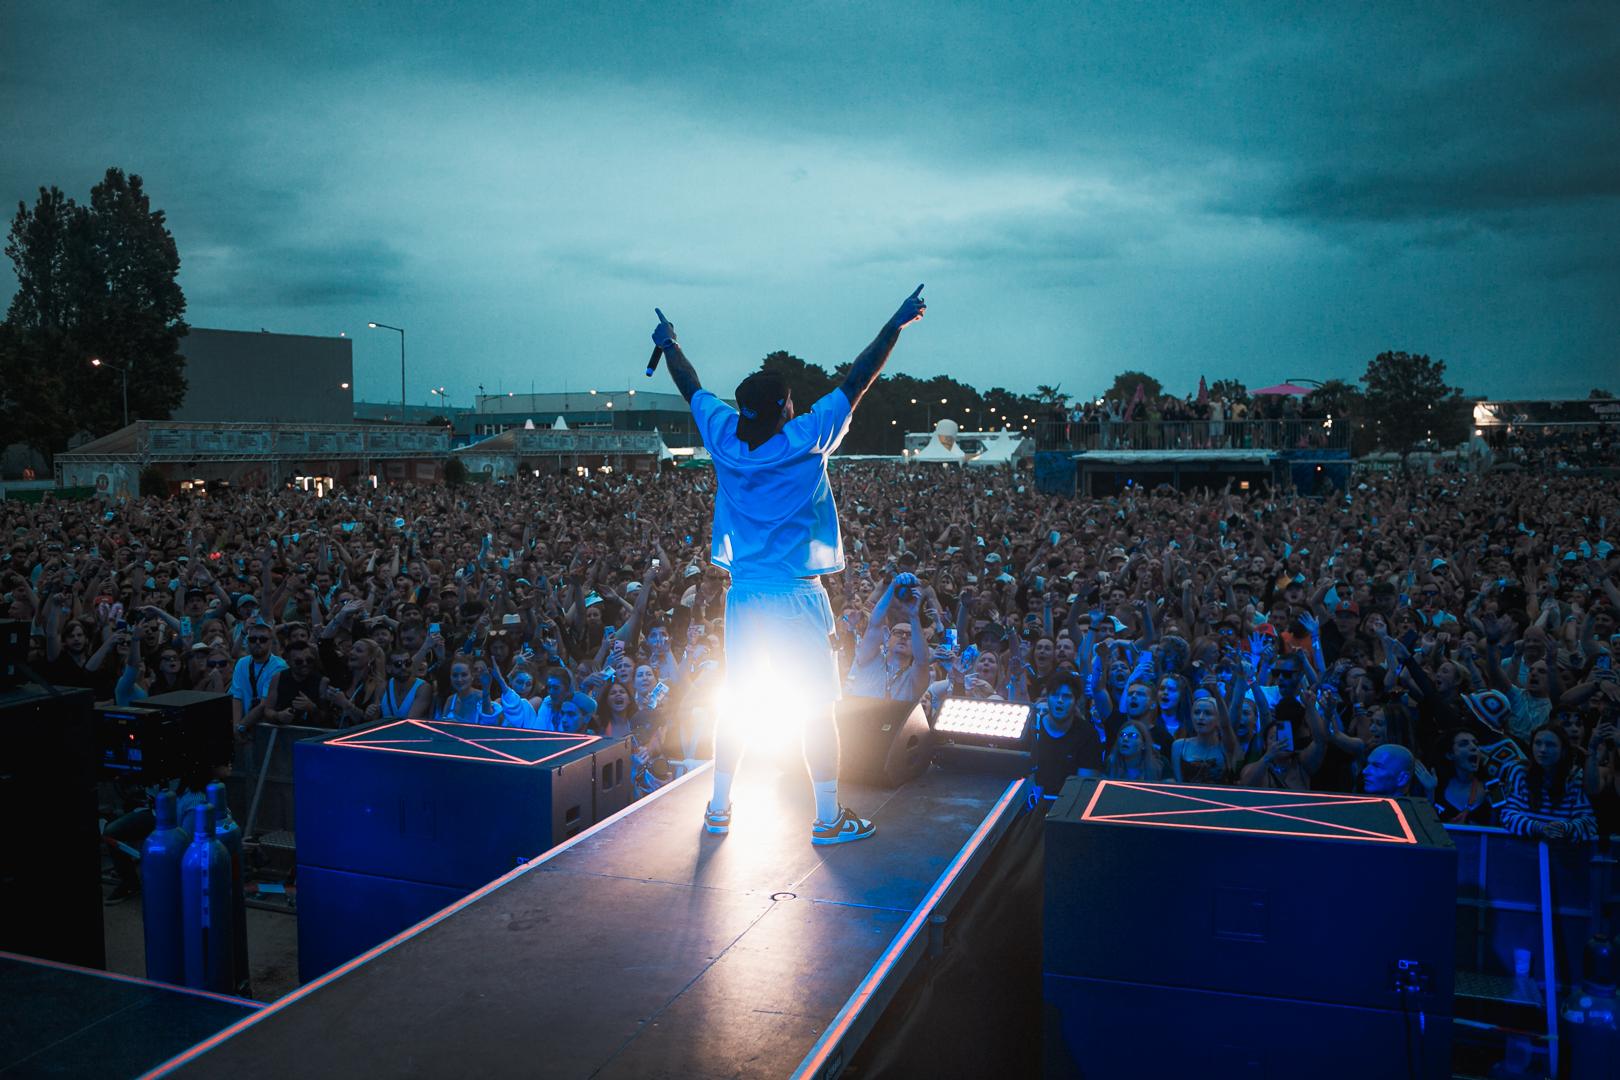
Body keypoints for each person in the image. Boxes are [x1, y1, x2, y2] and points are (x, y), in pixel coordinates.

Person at [654, 286, 926, 844]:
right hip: (797, 596)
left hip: (744, 593)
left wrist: (670, 343)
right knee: (814, 709)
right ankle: (828, 818)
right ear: (785, 407)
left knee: (738, 701)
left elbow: (690, 386)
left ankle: (719, 809)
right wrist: (896, 324)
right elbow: (858, 378)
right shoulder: (805, 439)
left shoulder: (724, 437)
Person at [1499, 723, 1598, 842]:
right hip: (1523, 849)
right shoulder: (1519, 771)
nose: (1542, 750)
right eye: (1538, 743)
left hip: (1561, 853)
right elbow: (1508, 815)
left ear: (1563, 749)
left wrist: (1565, 828)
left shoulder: (1574, 777)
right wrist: (1539, 828)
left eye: (1550, 745)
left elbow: (1589, 823)